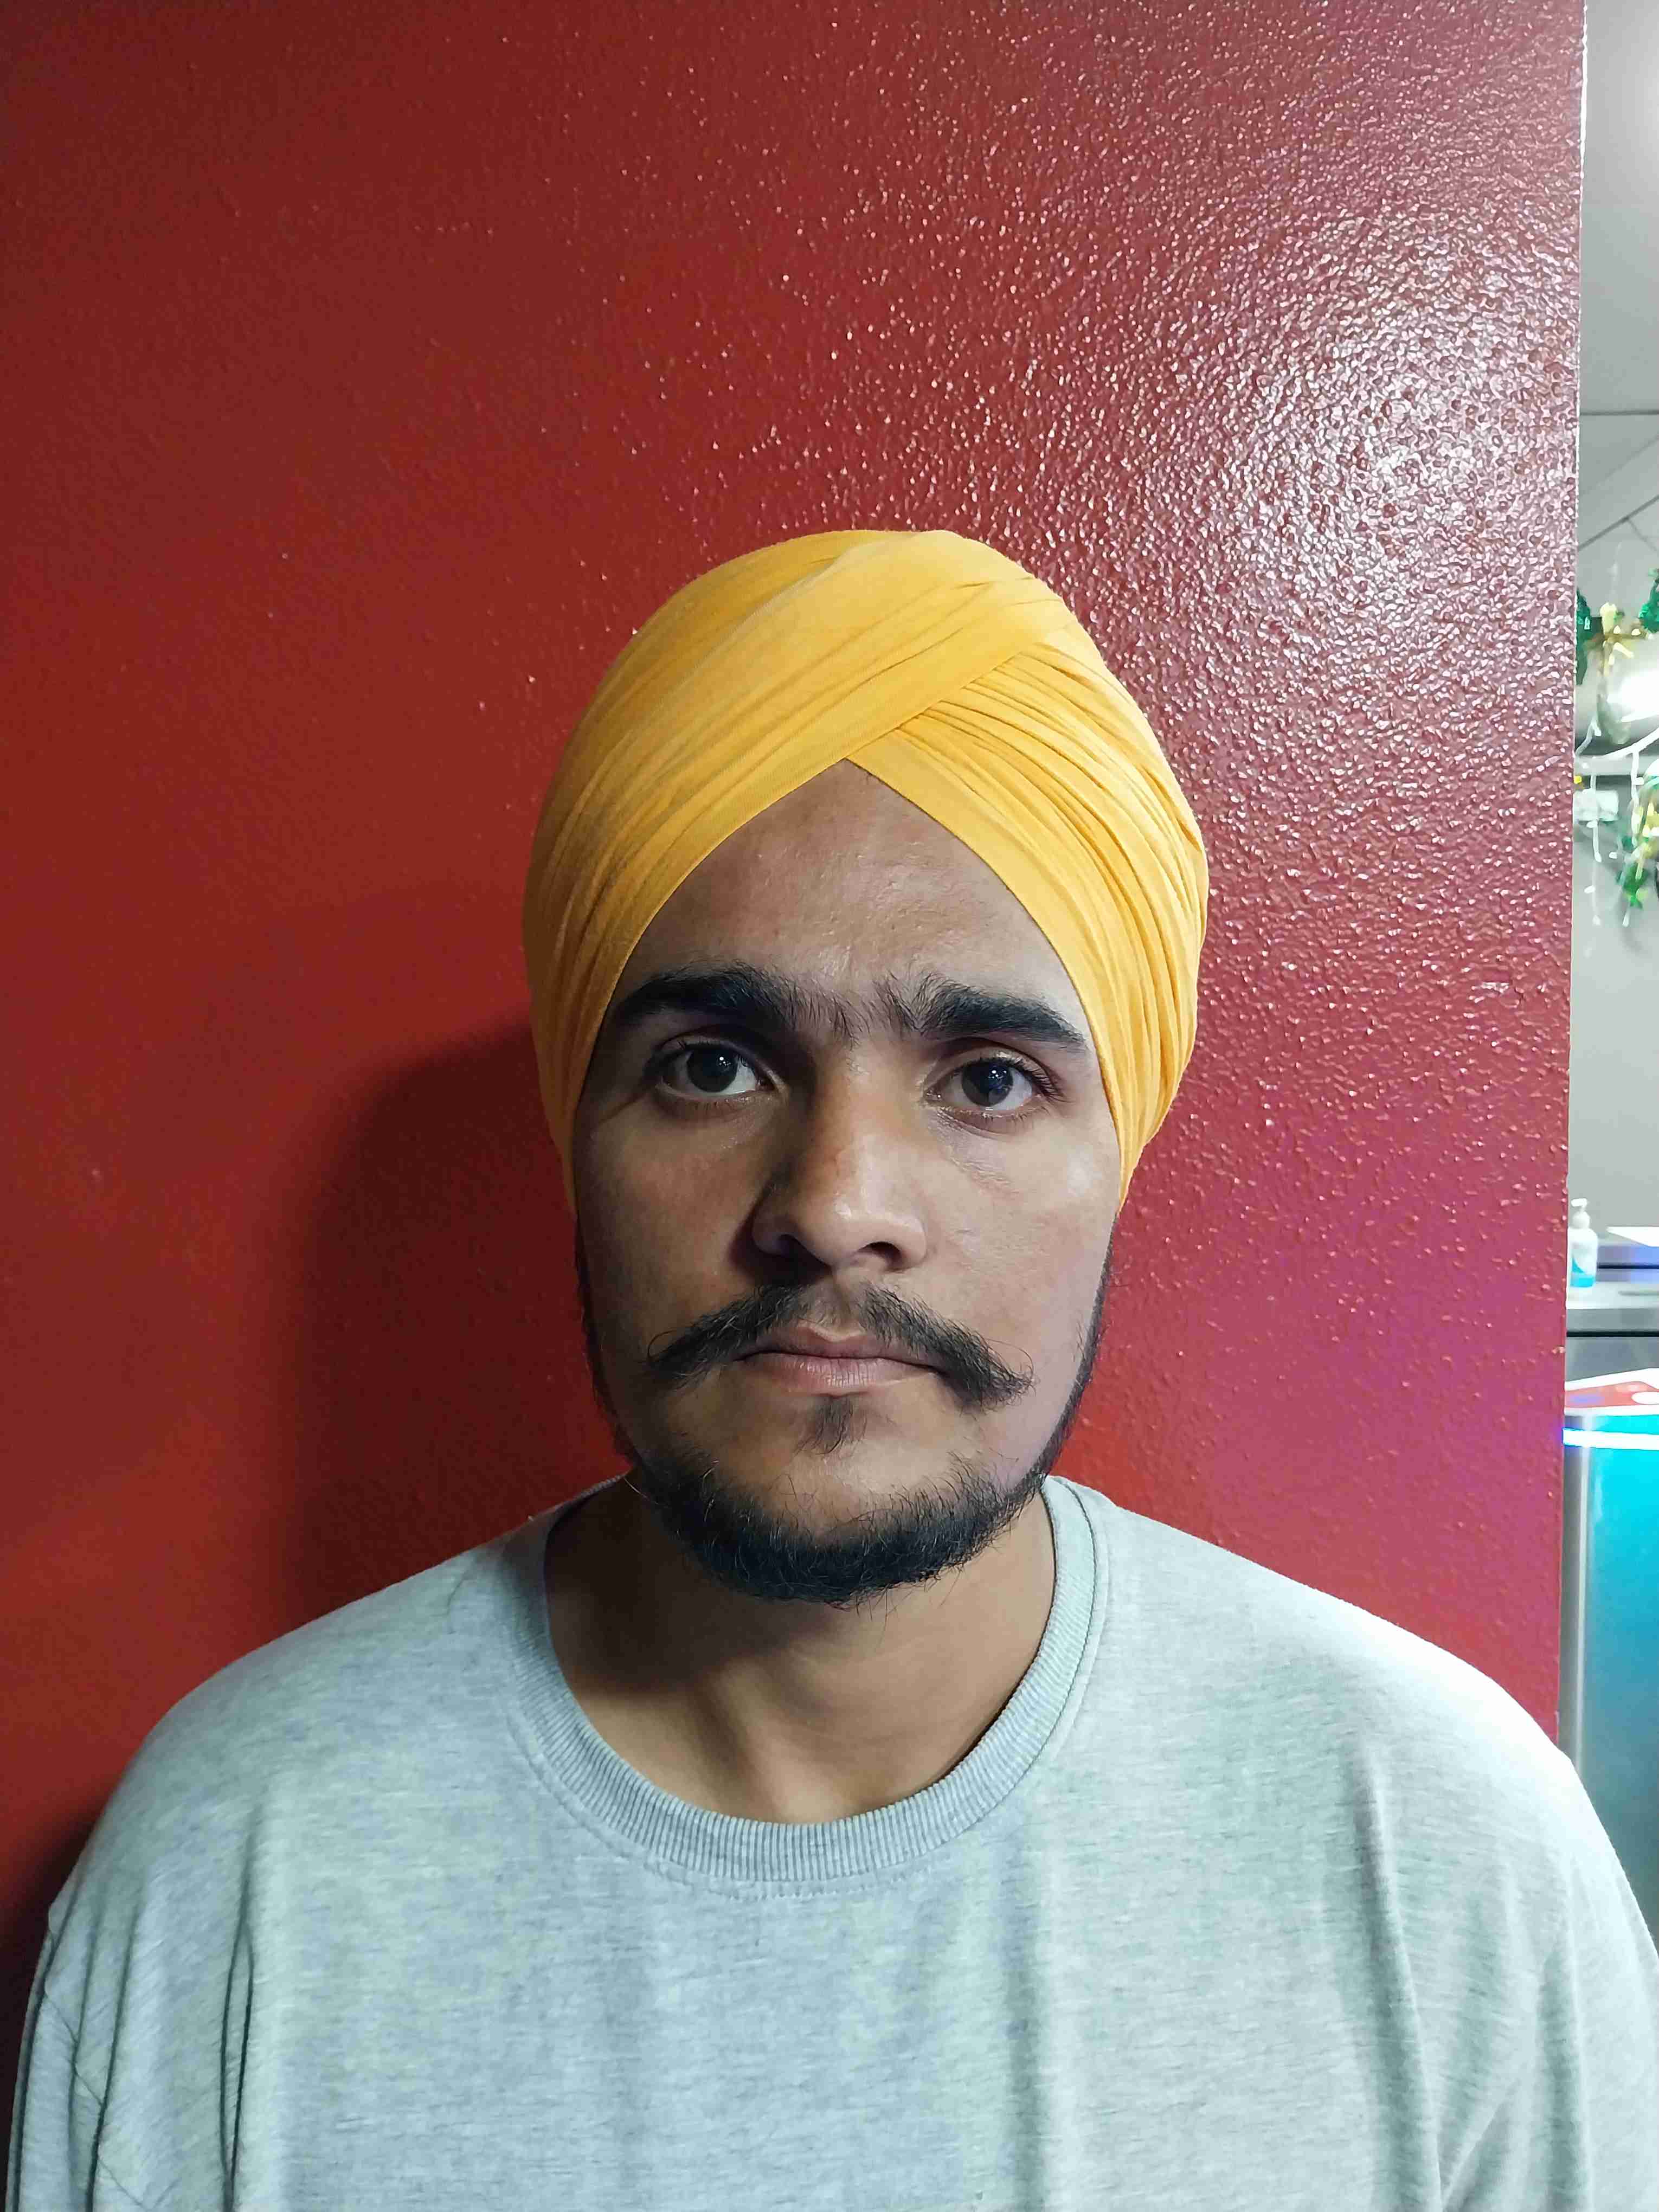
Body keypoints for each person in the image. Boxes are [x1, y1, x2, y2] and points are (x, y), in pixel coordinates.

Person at [8, 530, 1656, 2210]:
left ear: (1122, 1151)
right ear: (577, 1137)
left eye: (988, 1079)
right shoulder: (239, 1868)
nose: (834, 1204)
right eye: (712, 1067)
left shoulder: (1439, 1859)